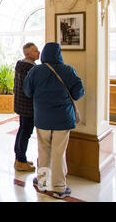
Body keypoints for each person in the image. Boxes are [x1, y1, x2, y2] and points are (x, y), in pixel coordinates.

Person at [23, 42, 85, 199]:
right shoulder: (68, 70)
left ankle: (42, 182)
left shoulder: (35, 71)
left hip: (42, 118)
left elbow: (28, 92)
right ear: (59, 54)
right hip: (62, 120)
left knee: (43, 150)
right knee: (59, 152)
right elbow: (78, 92)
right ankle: (59, 187)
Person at [13, 42, 40, 172]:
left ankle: (19, 158)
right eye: (35, 51)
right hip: (28, 106)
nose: (38, 52)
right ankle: (21, 160)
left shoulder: (20, 66)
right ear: (28, 54)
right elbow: (30, 89)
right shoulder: (30, 69)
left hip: (21, 104)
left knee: (22, 130)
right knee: (26, 132)